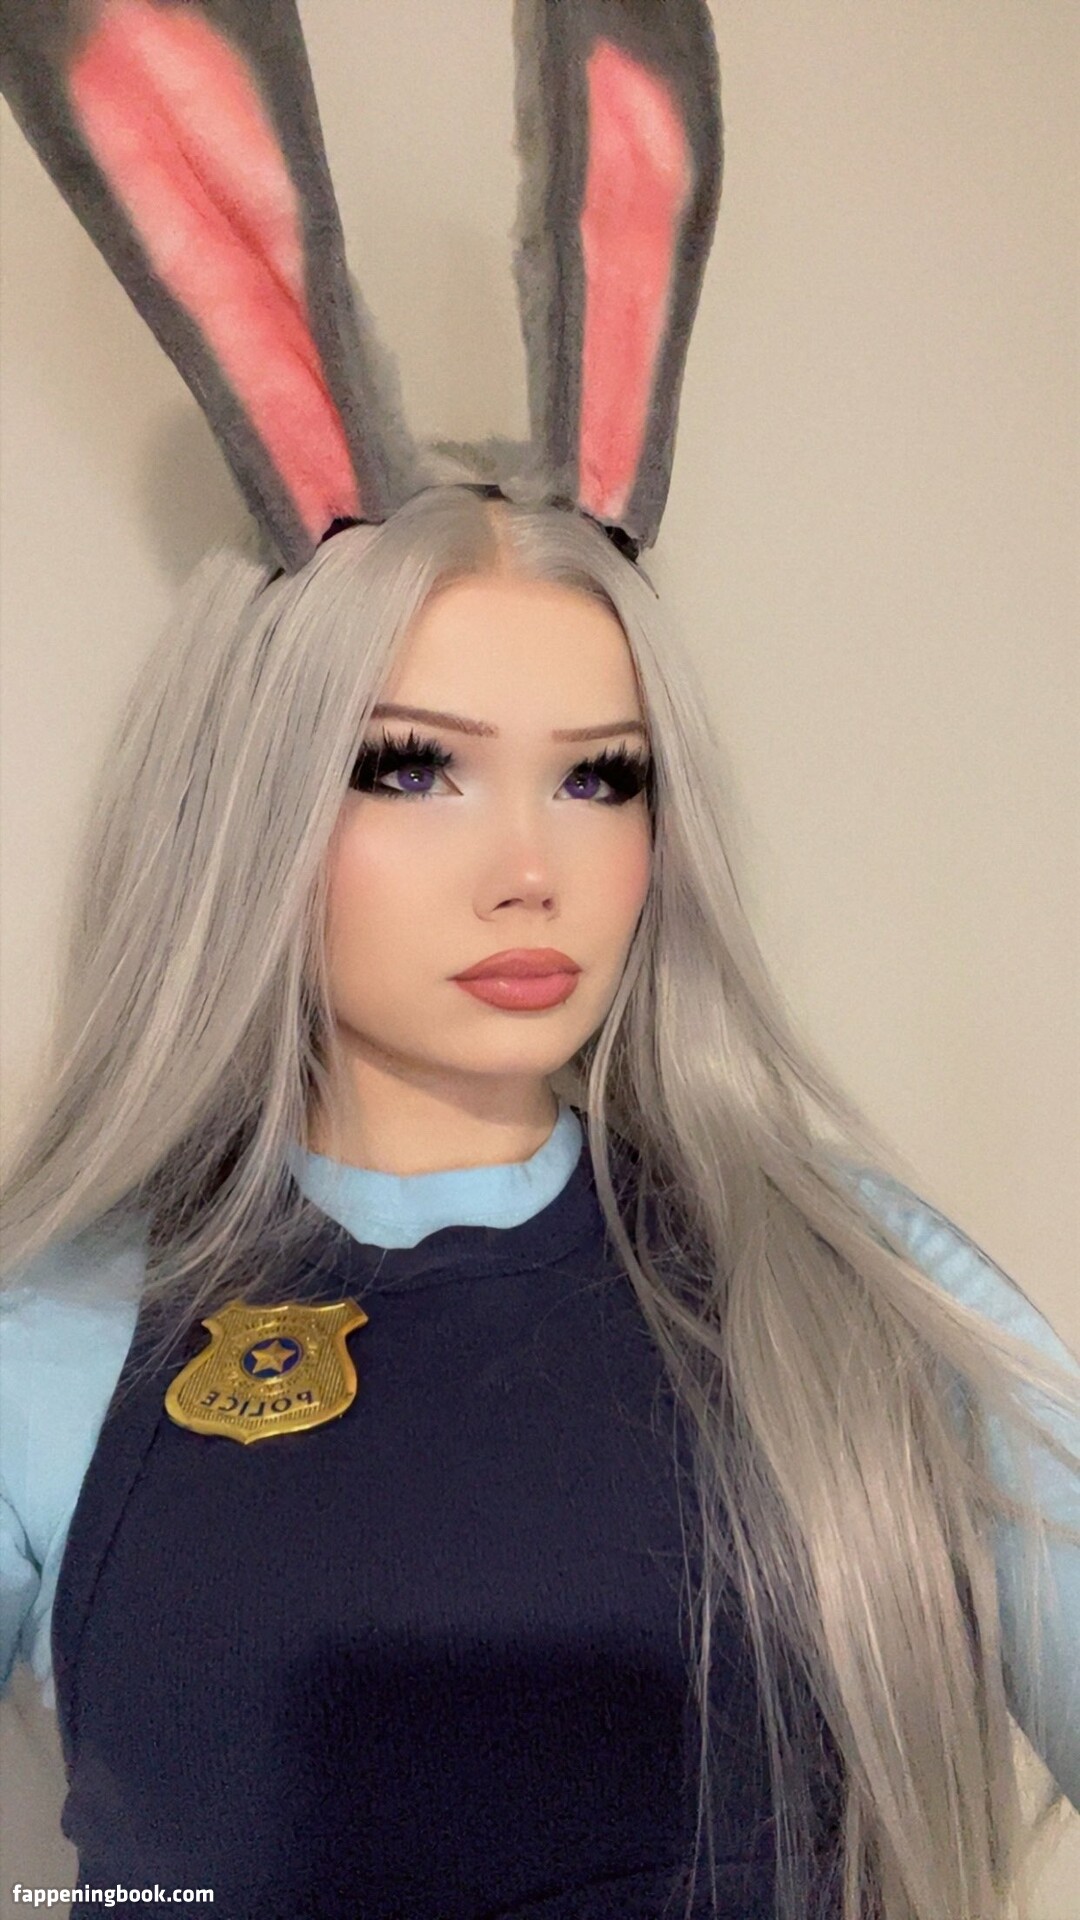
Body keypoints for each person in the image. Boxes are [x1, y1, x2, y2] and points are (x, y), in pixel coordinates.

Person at [0, 5, 1077, 1920]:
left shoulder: (858, 1292)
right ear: (251, 804)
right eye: (409, 767)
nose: (531, 872)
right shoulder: (62, 1349)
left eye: (602, 778)